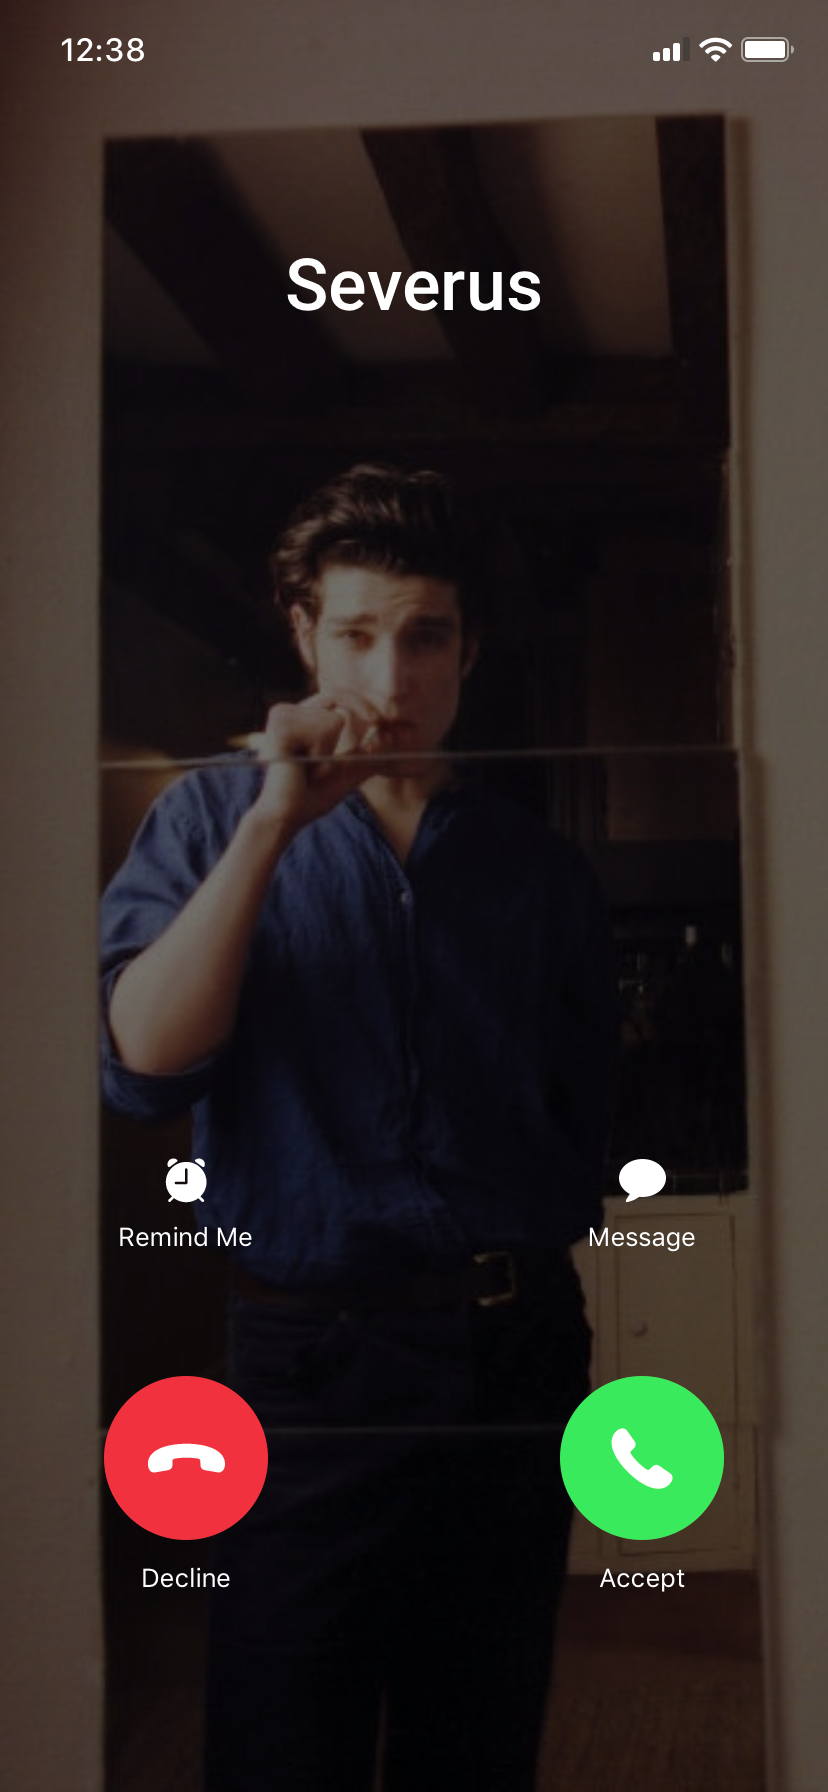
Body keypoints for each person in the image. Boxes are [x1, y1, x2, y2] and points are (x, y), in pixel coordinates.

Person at [100, 463, 617, 1792]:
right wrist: (275, 823)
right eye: (358, 636)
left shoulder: (540, 867)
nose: (392, 680)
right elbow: (144, 1066)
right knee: (281, 1743)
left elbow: (588, 1112)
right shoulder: (209, 818)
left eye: (427, 637)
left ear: (470, 649)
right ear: (304, 637)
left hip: (513, 1352)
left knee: (477, 1742)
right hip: (309, 1359)